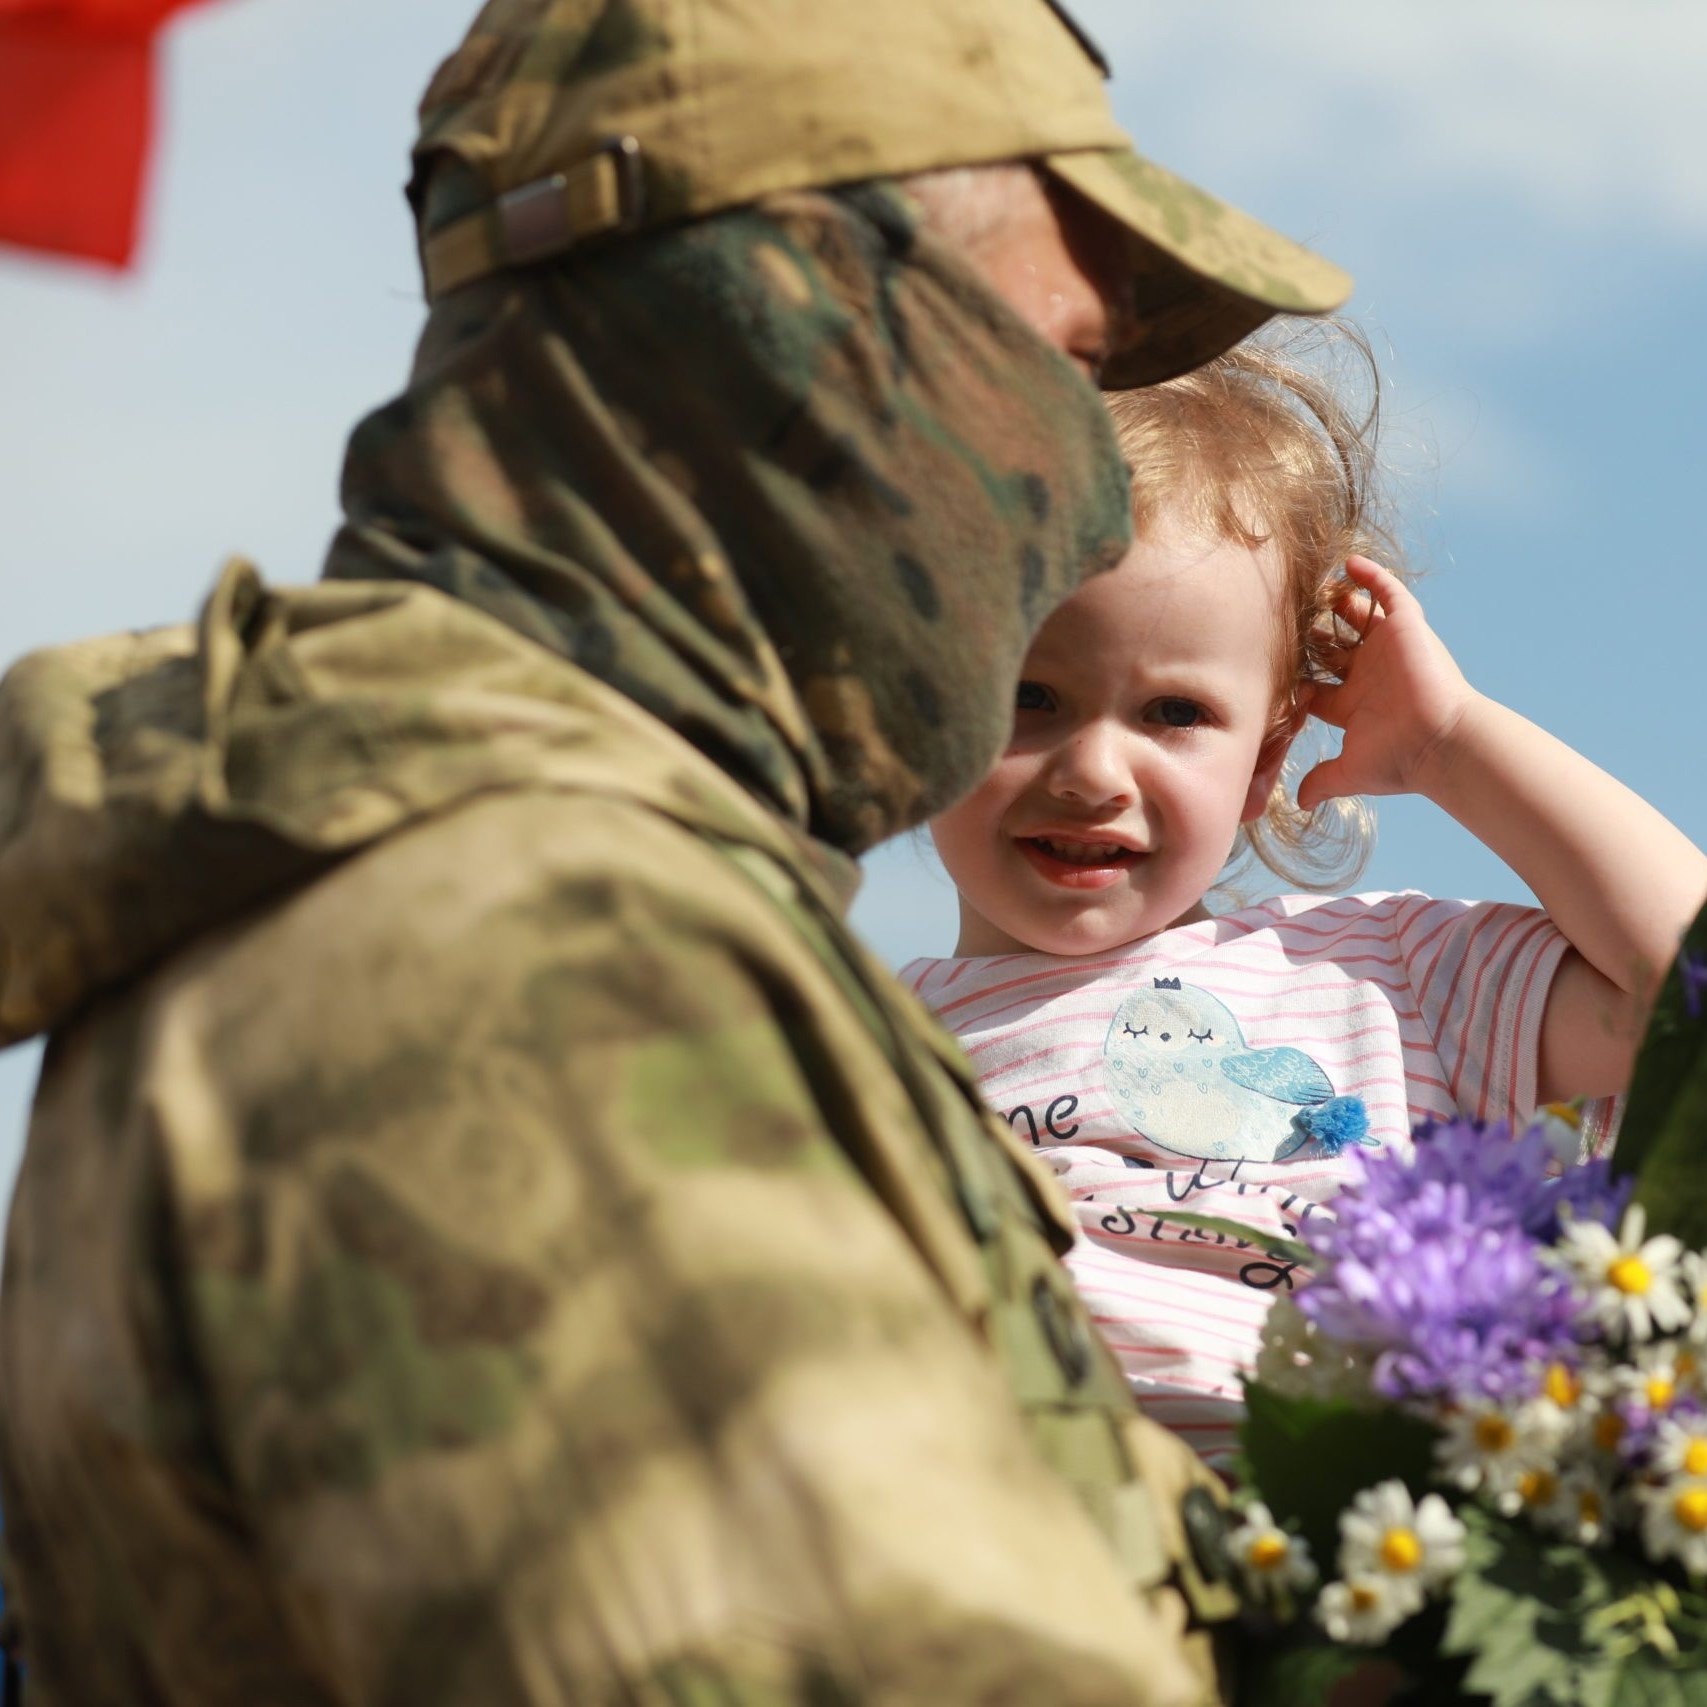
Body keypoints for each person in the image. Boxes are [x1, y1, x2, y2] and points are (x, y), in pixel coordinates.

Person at [0, 1, 1355, 1702]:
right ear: (792, 311)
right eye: (1068, 371)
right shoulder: (512, 961)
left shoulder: (477, 878)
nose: (1089, 504)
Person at [905, 334, 1707, 1467]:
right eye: (1029, 695)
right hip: (1043, 1553)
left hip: (1371, 1556)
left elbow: (1686, 986)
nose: (1092, 770)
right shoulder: (858, 1044)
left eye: (1175, 714)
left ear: (1270, 755)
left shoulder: (1386, 978)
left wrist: (1450, 746)